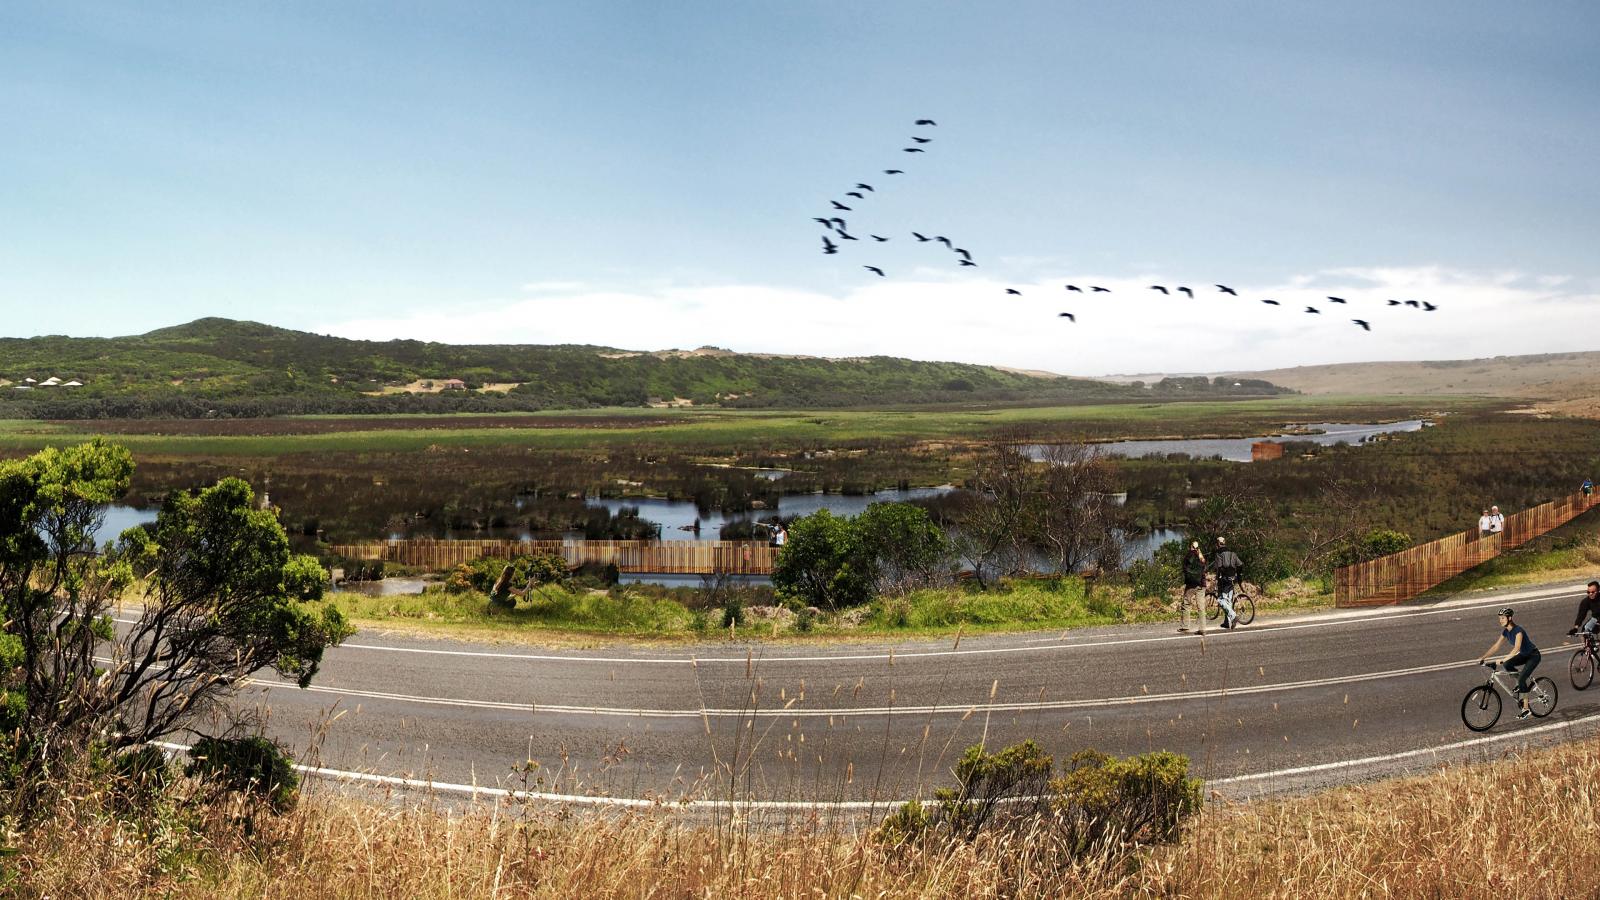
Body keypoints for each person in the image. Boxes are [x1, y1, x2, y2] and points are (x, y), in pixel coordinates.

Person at [1479, 607, 1540, 718]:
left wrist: (1503, 659)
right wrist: (1484, 657)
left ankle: (1526, 709)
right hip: (1524, 655)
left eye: (1502, 618)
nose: (1500, 620)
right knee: (1508, 665)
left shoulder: (1518, 631)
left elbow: (1516, 648)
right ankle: (1520, 685)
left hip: (1533, 656)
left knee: (1521, 678)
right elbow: (1496, 646)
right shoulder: (1506, 631)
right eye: (1500, 618)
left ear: (1510, 618)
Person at [1211, 537, 1245, 629]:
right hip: (1233, 579)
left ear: (1218, 544)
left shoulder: (1219, 553)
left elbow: (1218, 568)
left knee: (1221, 600)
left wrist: (1217, 578)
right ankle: (1227, 622)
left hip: (1224, 580)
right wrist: (1238, 575)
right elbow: (1240, 564)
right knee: (1228, 600)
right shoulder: (1232, 553)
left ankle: (1233, 617)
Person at [1178, 541, 1207, 634]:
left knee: (1186, 604)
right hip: (1201, 584)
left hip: (1191, 584)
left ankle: (1185, 626)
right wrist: (1200, 553)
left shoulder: (1188, 555)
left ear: (1190, 546)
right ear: (1198, 548)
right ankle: (1202, 629)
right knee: (1201, 607)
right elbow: (1204, 565)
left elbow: (1184, 569)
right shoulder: (1200, 557)